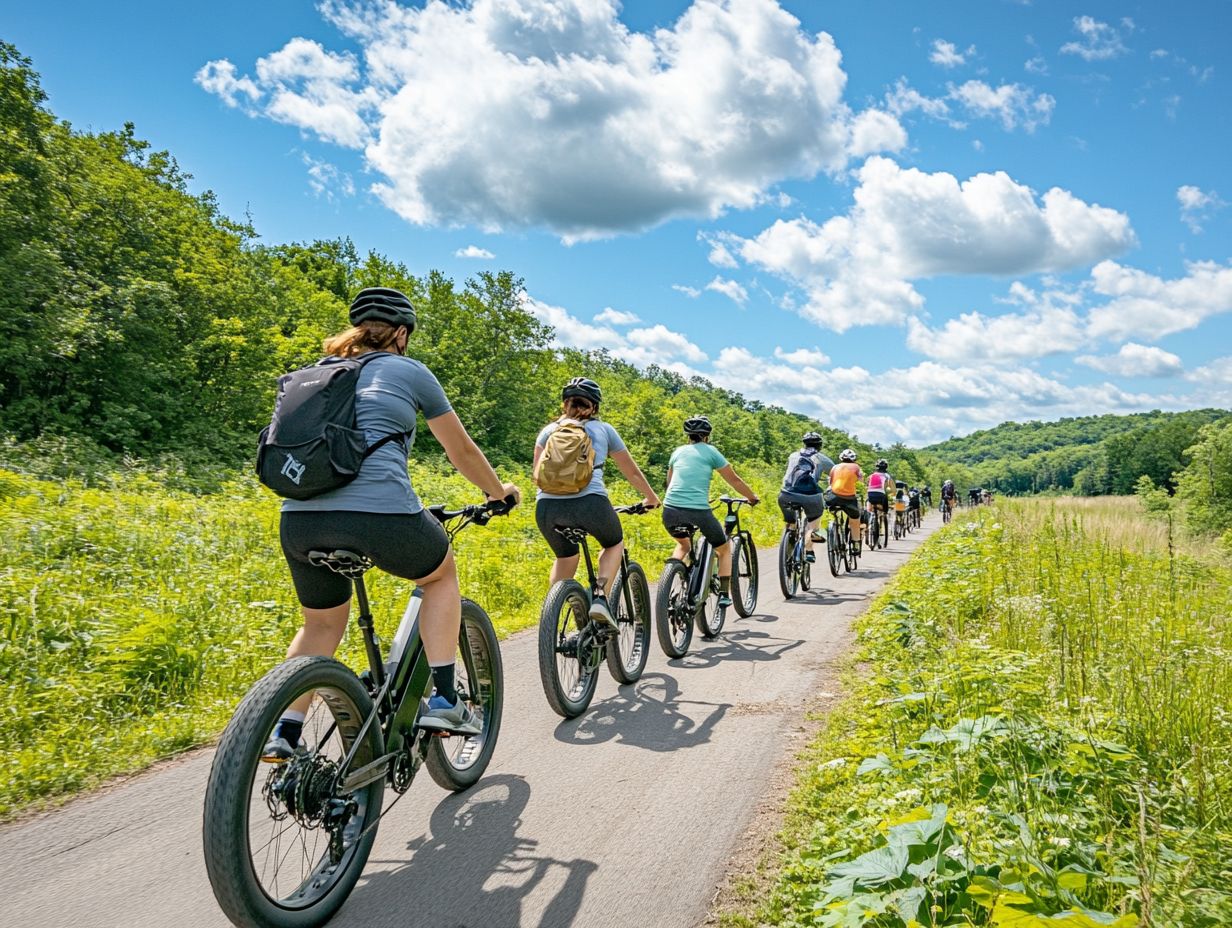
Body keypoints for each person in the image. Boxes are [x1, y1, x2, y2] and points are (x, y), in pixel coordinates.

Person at [266, 287, 522, 761]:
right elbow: (460, 450)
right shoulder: (409, 371)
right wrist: (497, 493)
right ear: (401, 334)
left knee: (321, 624)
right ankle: (445, 699)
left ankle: (284, 729)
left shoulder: (313, 376)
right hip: (379, 513)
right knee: (439, 573)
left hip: (299, 520)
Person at [534, 377, 659, 627]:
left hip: (547, 508)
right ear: (594, 407)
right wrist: (651, 497)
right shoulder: (604, 429)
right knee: (613, 543)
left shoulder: (548, 431)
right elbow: (631, 472)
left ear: (565, 404)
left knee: (566, 558)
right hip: (590, 502)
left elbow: (537, 474)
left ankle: (553, 616)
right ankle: (600, 598)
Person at [661, 416, 761, 607]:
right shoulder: (711, 452)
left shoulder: (677, 451)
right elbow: (734, 480)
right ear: (707, 436)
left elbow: (670, 482)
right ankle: (724, 594)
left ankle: (668, 581)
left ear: (688, 436)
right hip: (698, 511)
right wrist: (751, 497)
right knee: (724, 549)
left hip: (670, 510)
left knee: (683, 545)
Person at [777, 431, 833, 563]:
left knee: (791, 523)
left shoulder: (793, 455)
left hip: (786, 494)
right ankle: (809, 551)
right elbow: (835, 473)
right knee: (812, 525)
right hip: (811, 497)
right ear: (820, 445)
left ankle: (788, 548)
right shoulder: (822, 458)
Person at [825, 449, 864, 553]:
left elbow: (830, 482)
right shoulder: (856, 467)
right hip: (849, 498)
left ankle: (833, 526)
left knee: (832, 511)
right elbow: (861, 481)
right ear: (854, 459)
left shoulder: (834, 467)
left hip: (833, 497)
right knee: (855, 519)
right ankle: (856, 544)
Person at [865, 459, 895, 538]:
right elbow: (893, 490)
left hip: (870, 495)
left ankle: (869, 523)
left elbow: (867, 485)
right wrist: (891, 493)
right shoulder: (887, 476)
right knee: (883, 511)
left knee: (869, 506)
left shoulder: (871, 476)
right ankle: (880, 523)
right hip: (881, 496)